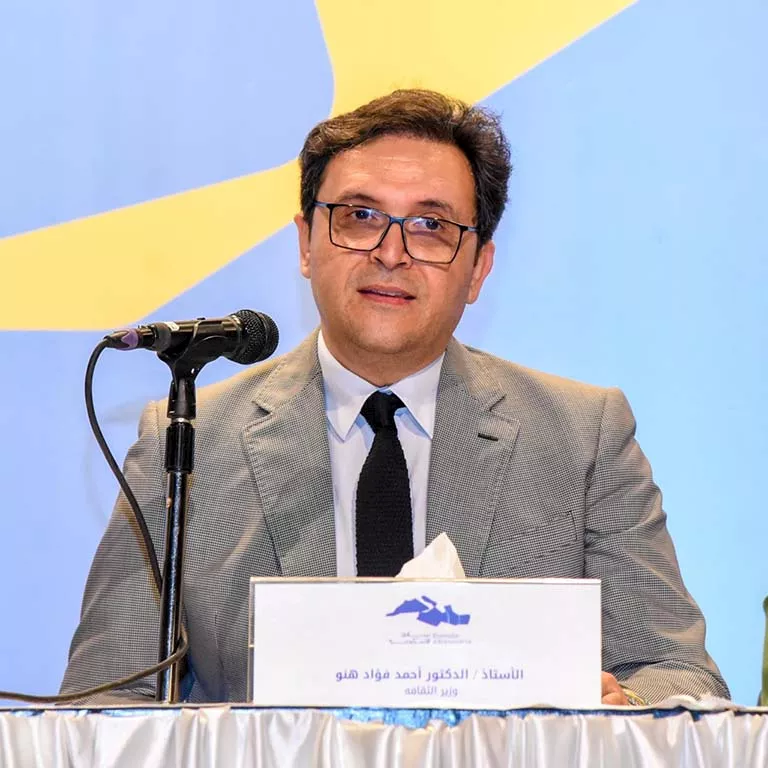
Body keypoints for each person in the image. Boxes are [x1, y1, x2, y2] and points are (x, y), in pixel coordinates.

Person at [61, 89, 728, 705]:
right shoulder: (188, 440)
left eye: (431, 226)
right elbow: (105, 701)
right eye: (360, 217)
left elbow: (680, 675)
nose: (390, 253)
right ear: (306, 242)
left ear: (478, 269)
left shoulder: (582, 437)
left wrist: (621, 709)